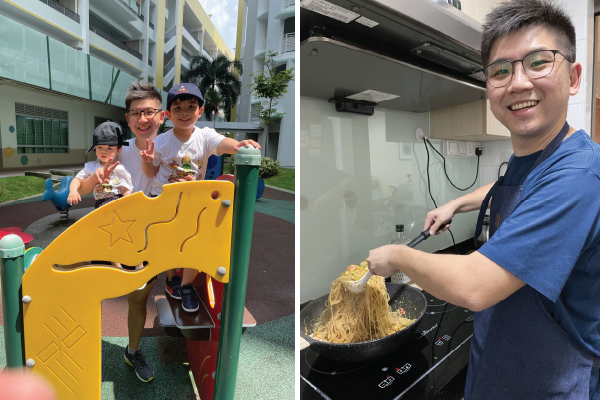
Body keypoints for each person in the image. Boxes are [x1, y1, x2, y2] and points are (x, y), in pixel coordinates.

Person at [366, 1, 600, 399]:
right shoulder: (536, 156)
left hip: (548, 382)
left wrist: (396, 256)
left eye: (538, 62)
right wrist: (458, 204)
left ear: (574, 76)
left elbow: (475, 286)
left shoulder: (581, 175)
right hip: (496, 364)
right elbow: (510, 184)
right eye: (501, 70)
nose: (518, 83)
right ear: (488, 85)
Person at [140, 82, 260, 313]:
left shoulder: (204, 136)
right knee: (165, 245)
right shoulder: (161, 141)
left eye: (190, 106)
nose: (184, 112)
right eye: (178, 108)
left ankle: (185, 286)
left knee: (193, 244)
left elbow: (222, 143)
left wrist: (239, 146)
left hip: (191, 202)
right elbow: (151, 173)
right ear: (167, 115)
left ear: (200, 111)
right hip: (163, 200)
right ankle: (171, 278)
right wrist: (146, 162)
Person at [92, 81, 165, 383]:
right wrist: (89, 180)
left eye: (149, 112)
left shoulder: (174, 146)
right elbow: (86, 178)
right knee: (92, 291)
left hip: (150, 238)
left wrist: (239, 145)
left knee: (138, 299)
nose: (143, 119)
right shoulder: (115, 150)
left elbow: (207, 142)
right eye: (136, 113)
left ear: (161, 116)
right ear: (128, 118)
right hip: (112, 232)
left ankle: (132, 351)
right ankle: (80, 343)